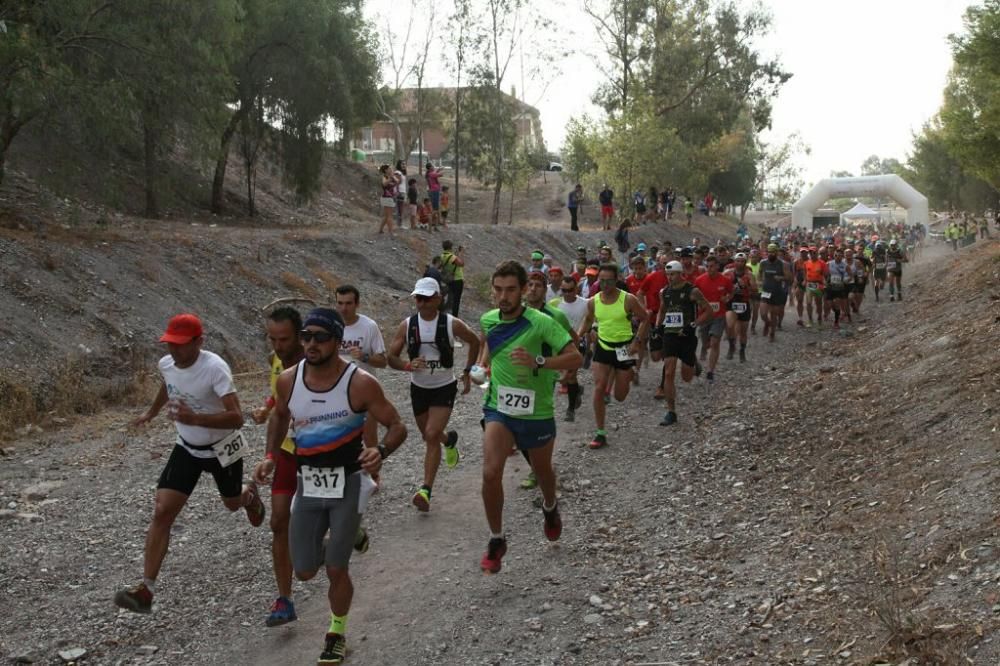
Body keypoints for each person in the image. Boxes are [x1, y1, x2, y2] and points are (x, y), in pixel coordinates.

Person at [253, 308, 407, 666]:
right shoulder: (289, 380)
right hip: (309, 483)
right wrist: (270, 457)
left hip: (347, 482)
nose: (310, 344)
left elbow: (397, 425)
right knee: (305, 569)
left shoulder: (360, 383)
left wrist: (380, 451)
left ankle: (336, 634)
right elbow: (279, 416)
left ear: (338, 341)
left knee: (337, 568)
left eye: (320, 338)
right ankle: (344, 536)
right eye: (306, 337)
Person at [114, 314, 265, 615]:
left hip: (222, 447)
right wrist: (151, 413)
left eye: (181, 345)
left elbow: (237, 416)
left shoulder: (215, 369)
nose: (174, 351)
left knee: (232, 503)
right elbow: (167, 385)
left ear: (199, 342)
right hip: (187, 447)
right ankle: (146, 590)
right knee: (162, 510)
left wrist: (195, 418)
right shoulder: (167, 364)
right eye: (170, 344)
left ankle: (249, 495)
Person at [477, 261, 582, 574]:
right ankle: (496, 539)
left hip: (536, 411)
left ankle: (550, 507)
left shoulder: (540, 322)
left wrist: (538, 360)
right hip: (499, 408)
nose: (503, 296)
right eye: (498, 290)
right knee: (490, 472)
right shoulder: (488, 319)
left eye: (511, 290)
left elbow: (576, 356)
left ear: (523, 290)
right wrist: (480, 369)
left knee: (543, 472)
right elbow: (487, 351)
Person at [386, 278, 481, 512]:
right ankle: (449, 441)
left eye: (427, 298)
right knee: (431, 435)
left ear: (438, 299)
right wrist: (408, 366)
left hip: (443, 386)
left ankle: (425, 490)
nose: (423, 303)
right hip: (419, 388)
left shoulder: (452, 323)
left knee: (430, 434)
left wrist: (468, 371)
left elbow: (475, 341)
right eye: (419, 298)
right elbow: (391, 358)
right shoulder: (407, 325)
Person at [252, 307, 305, 627]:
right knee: (278, 522)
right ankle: (284, 599)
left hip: (319, 453)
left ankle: (344, 530)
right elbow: (279, 397)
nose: (277, 345)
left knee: (318, 519)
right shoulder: (277, 361)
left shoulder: (316, 363)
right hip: (287, 451)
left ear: (299, 335)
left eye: (283, 339)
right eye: (272, 339)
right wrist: (266, 407)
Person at [576, 263, 649, 449]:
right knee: (599, 388)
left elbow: (645, 318)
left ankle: (627, 374)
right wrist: (577, 337)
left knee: (620, 396)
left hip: (624, 349)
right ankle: (600, 433)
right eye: (602, 280)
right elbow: (588, 319)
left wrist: (637, 341)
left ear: (616, 280)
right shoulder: (594, 301)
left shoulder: (628, 299)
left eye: (609, 281)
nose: (605, 284)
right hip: (603, 347)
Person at [656, 262, 712, 425]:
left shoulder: (692, 291)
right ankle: (671, 411)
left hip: (687, 336)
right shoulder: (664, 292)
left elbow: (709, 311)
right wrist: (658, 327)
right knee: (668, 372)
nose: (669, 278)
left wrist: (693, 325)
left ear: (680, 274)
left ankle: (693, 363)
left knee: (686, 377)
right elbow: (662, 310)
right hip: (670, 335)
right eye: (667, 275)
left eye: (672, 274)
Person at [693, 256, 733, 382]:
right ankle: (705, 348)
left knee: (715, 342)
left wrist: (727, 298)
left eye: (712, 266)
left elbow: (731, 292)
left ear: (717, 266)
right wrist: (698, 303)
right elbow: (693, 295)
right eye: (707, 266)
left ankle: (710, 371)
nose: (709, 269)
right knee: (706, 343)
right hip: (704, 316)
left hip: (718, 316)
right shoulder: (699, 280)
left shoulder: (725, 280)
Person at [723, 253, 756, 362]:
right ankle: (731, 346)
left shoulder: (749, 274)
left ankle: (742, 351)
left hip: (744, 303)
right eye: (738, 261)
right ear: (734, 262)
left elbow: (755, 289)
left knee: (743, 331)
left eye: (742, 261)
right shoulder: (727, 273)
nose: (740, 263)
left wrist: (746, 285)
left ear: (745, 262)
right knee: (730, 325)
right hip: (732, 302)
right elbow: (720, 284)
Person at [758, 243, 792, 342]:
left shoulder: (783, 264)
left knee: (774, 314)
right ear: (767, 252)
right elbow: (759, 274)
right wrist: (760, 282)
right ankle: (767, 323)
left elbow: (790, 278)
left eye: (773, 252)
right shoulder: (763, 262)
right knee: (763, 313)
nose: (771, 254)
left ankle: (772, 333)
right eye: (769, 252)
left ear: (776, 252)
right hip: (766, 291)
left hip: (777, 292)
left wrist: (781, 277)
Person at [440, 240, 465, 316]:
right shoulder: (452, 257)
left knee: (449, 297)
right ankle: (454, 316)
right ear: (451, 247)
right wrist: (461, 253)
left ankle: (443, 311)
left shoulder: (442, 256)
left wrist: (457, 253)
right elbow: (461, 263)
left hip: (448, 279)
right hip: (457, 279)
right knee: (456, 300)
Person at [378, 165, 399, 236]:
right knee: (389, 215)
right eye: (389, 168)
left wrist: (393, 176)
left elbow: (397, 181)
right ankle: (391, 232)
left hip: (391, 197)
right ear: (386, 170)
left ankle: (380, 230)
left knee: (387, 215)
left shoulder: (392, 176)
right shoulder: (384, 177)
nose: (391, 169)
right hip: (386, 197)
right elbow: (384, 183)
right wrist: (390, 178)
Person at [425, 162, 444, 228]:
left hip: (434, 191)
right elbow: (440, 175)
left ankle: (437, 221)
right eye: (433, 166)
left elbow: (435, 172)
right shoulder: (431, 174)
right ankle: (431, 220)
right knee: (435, 208)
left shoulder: (430, 173)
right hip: (434, 191)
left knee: (436, 207)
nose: (434, 167)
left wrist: (439, 169)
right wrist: (442, 170)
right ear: (430, 168)